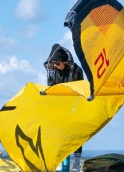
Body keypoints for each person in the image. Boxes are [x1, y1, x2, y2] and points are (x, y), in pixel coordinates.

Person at [44, 43, 84, 172]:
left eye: (57, 64)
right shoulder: (52, 71)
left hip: (74, 105)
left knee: (76, 134)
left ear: (64, 62)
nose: (55, 66)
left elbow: (81, 89)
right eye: (53, 64)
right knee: (58, 134)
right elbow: (50, 89)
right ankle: (59, 161)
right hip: (58, 106)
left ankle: (76, 163)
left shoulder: (76, 70)